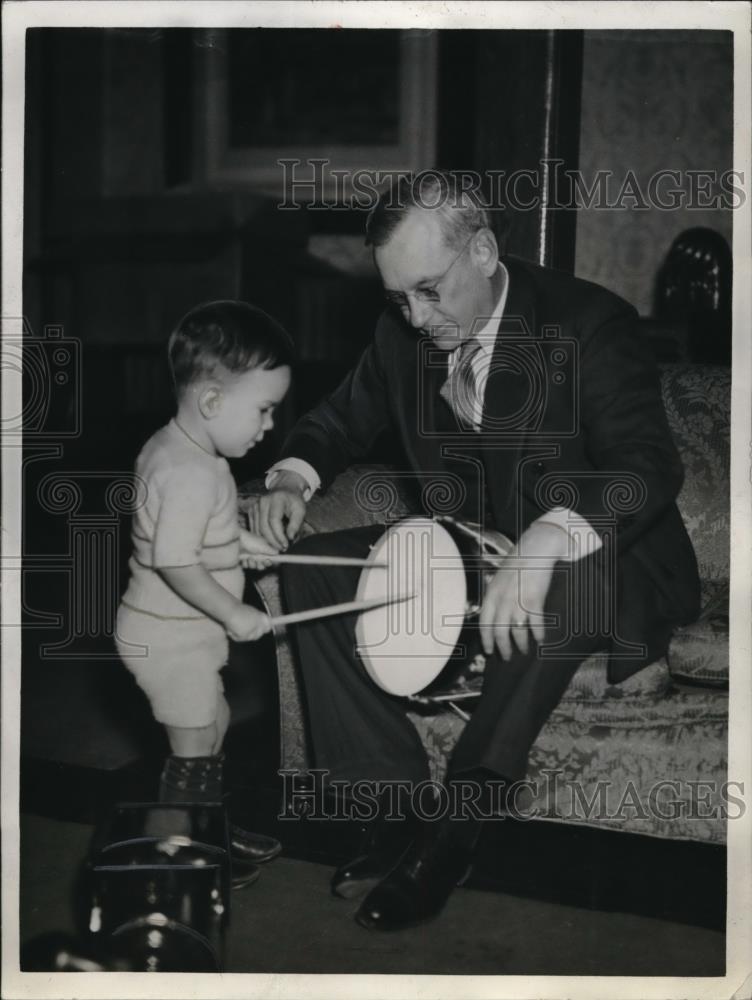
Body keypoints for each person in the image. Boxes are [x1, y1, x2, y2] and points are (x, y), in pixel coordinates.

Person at [254, 171, 701, 930]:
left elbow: (647, 470)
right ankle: (390, 807)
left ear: (486, 251)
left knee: (559, 581)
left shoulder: (590, 322)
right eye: (398, 298)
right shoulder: (404, 329)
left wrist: (547, 538)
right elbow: (338, 419)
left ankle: (459, 823)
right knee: (314, 577)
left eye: (428, 291)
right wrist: (292, 476)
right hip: (474, 549)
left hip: (607, 563)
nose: (415, 317)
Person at [115, 300, 292, 884]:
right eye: (263, 411)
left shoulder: (185, 450)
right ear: (213, 402)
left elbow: (200, 533)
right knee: (193, 749)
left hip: (178, 635)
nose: (268, 427)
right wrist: (234, 611)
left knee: (214, 723)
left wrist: (241, 541)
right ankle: (173, 853)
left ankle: (203, 825)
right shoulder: (190, 471)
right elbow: (173, 558)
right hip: (170, 639)